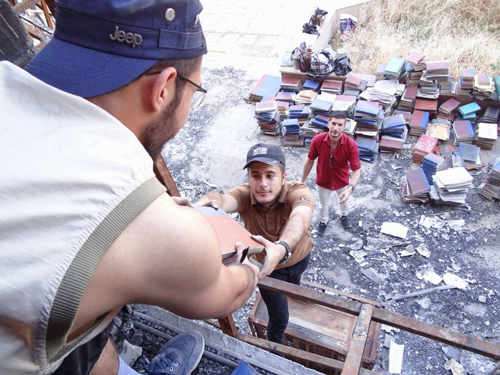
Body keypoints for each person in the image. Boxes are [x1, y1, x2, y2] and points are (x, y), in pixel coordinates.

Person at [0, 1, 268, 374]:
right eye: (195, 90)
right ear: (163, 88)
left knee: (83, 336)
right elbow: (229, 292)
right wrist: (256, 262)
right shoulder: (152, 228)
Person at [196, 143, 314, 344]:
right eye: (255, 176)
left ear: (283, 177)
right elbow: (222, 200)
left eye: (270, 175)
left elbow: (300, 217)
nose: (262, 183)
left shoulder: (298, 191)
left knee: (296, 286)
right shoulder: (245, 194)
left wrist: (282, 247)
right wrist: (204, 202)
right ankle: (274, 347)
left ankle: (294, 296)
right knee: (279, 318)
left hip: (298, 258)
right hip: (268, 268)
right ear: (249, 178)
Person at [301, 111, 361, 235]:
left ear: (344, 127)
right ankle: (323, 221)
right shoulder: (317, 140)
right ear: (328, 124)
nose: (335, 128)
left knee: (344, 201)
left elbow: (356, 170)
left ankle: (343, 215)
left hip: (342, 180)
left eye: (340, 125)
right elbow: (310, 161)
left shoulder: (351, 145)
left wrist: (350, 189)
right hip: (323, 180)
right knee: (323, 205)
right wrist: (302, 181)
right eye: (333, 123)